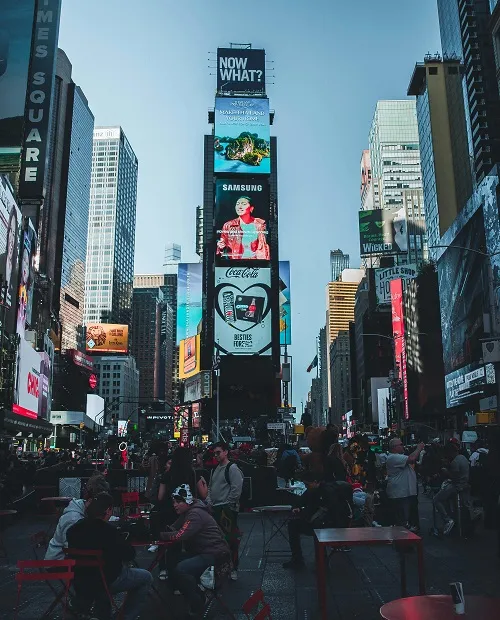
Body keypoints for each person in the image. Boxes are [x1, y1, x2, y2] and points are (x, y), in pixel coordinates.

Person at [67, 492, 152, 620]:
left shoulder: (73, 530)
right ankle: (125, 616)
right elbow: (129, 555)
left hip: (80, 580)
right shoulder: (109, 532)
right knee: (146, 577)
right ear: (107, 511)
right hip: (107, 579)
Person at [161, 484, 230, 618]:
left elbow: (180, 535)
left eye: (178, 501)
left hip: (215, 554)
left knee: (180, 569)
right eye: (174, 502)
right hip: (207, 551)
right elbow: (173, 528)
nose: (175, 505)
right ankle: (195, 592)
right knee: (174, 562)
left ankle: (199, 598)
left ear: (186, 501)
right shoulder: (189, 511)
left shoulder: (195, 513)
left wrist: (161, 535)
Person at [198, 441, 243, 580]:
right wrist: (210, 502)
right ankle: (223, 567)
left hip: (226, 510)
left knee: (230, 539)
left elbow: (236, 489)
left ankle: (233, 567)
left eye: (218, 452)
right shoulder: (216, 469)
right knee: (219, 540)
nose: (216, 455)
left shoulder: (232, 468)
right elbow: (211, 488)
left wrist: (228, 504)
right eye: (215, 453)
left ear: (225, 452)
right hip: (216, 508)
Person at [45, 473, 109, 560]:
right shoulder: (72, 519)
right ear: (90, 500)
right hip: (59, 563)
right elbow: (71, 550)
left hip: (74, 561)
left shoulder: (85, 507)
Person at [216, 195, 270, 260]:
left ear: (251, 208)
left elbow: (265, 247)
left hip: (256, 264)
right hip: (235, 264)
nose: (240, 206)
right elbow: (222, 249)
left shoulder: (260, 225)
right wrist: (220, 246)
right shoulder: (228, 225)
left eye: (244, 204)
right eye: (237, 204)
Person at [433, 442, 470, 535]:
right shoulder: (463, 458)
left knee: (436, 499)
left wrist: (446, 472)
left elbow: (454, 477)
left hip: (457, 486)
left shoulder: (455, 462)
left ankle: (447, 519)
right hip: (464, 484)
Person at [386, 438, 424, 527]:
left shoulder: (400, 457)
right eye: (401, 444)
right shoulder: (393, 457)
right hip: (400, 494)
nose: (403, 446)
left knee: (408, 518)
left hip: (405, 493)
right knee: (402, 521)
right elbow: (412, 458)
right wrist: (419, 448)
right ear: (394, 447)